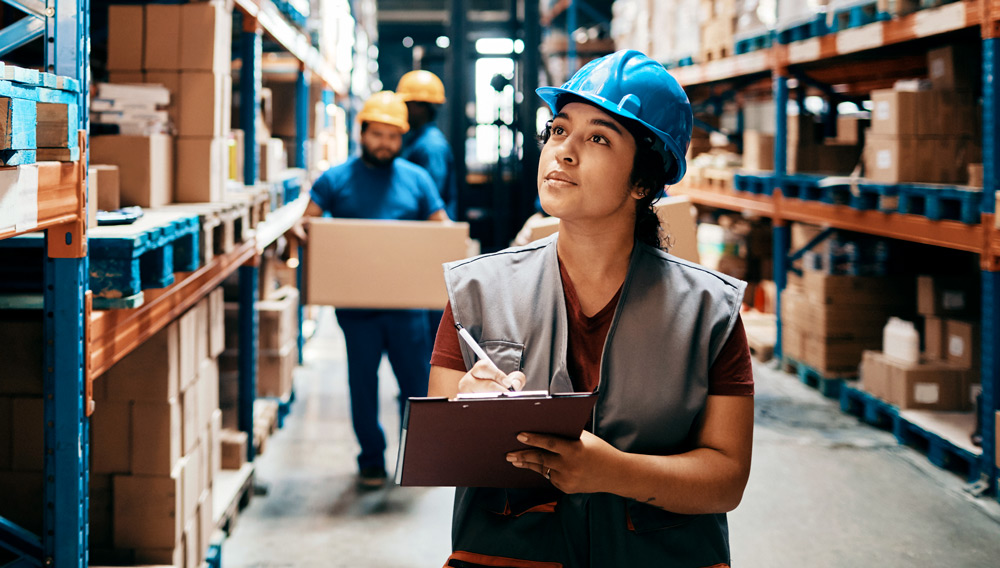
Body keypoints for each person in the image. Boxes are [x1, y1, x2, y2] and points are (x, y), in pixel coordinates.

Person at [427, 50, 754, 567]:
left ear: (643, 181)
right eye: (558, 131)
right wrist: (471, 416)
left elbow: (726, 480)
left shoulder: (709, 312)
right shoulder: (479, 291)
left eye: (597, 137)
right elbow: (441, 453)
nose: (565, 151)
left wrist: (615, 473)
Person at [301, 90, 448, 489]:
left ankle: (417, 456)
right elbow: (307, 224)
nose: (385, 144)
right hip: (357, 309)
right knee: (362, 387)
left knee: (416, 388)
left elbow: (442, 230)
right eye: (378, 135)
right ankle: (370, 458)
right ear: (361, 132)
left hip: (406, 310)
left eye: (393, 136)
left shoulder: (416, 181)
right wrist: (301, 235)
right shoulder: (334, 180)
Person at [396, 69, 458, 351]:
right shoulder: (419, 140)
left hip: (431, 241)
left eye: (407, 104)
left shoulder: (430, 146)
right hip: (423, 239)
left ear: (421, 107)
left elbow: (428, 199)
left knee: (428, 325)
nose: (403, 110)